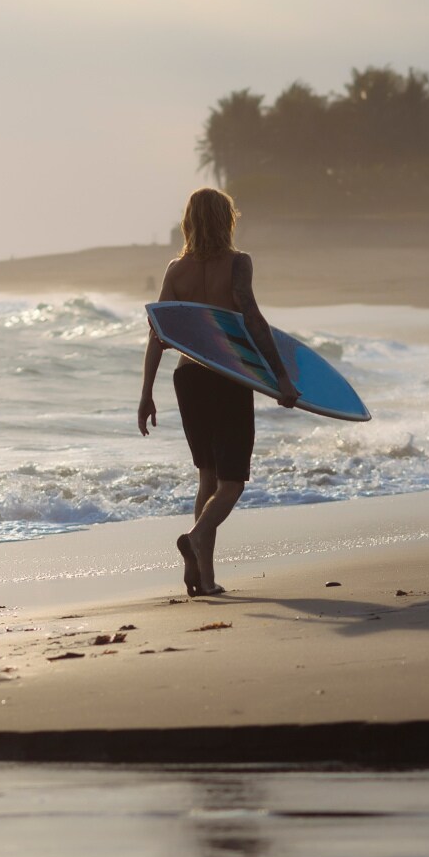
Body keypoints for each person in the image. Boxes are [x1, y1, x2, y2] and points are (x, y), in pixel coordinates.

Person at [138, 187, 298, 596]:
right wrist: (279, 376)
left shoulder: (176, 270)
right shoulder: (238, 263)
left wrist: (146, 393)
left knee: (206, 477)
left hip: (188, 379)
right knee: (232, 482)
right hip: (228, 378)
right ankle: (195, 537)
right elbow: (252, 319)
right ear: (227, 220)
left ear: (189, 221)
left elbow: (158, 334)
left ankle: (204, 579)